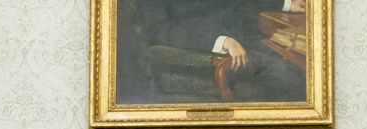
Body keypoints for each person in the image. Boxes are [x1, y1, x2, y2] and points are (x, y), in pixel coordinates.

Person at [121, 0, 307, 103]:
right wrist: (220, 40)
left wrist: (286, 4)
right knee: (293, 77)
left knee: (302, 63)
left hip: (247, 40)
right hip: (205, 52)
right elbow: (159, 29)